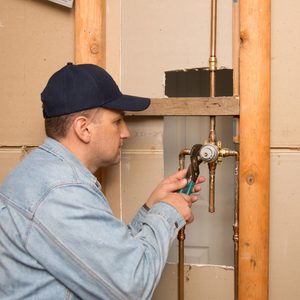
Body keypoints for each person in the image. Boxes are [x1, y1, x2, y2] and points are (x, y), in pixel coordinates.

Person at [0, 63, 205, 300]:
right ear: (83, 128)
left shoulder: (45, 174)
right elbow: (132, 286)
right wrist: (168, 212)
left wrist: (151, 208)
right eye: (117, 122)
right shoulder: (61, 193)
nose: (125, 132)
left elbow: (102, 263)